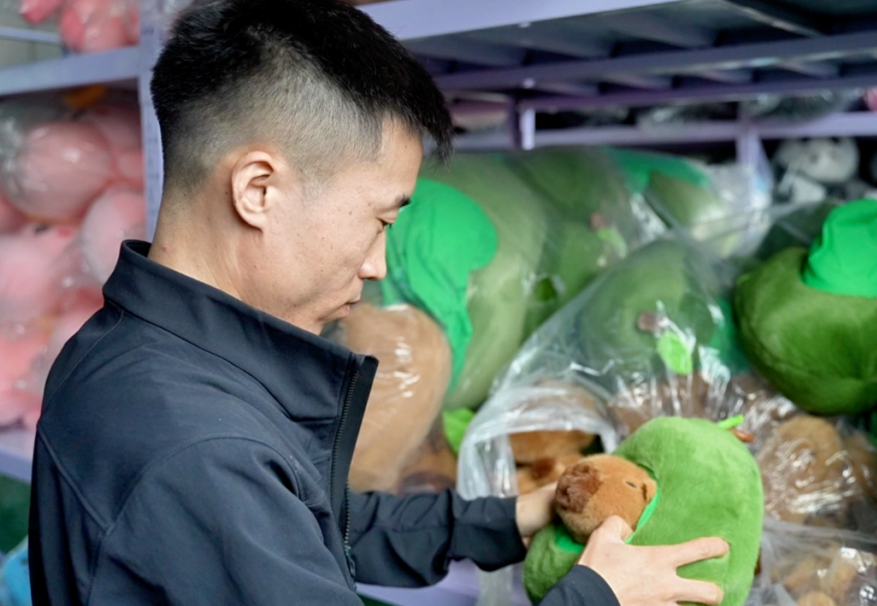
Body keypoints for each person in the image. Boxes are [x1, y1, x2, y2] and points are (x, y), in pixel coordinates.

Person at [26, 0, 730, 604]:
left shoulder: (133, 353)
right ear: (258, 190)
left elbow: (306, 527)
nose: (378, 264)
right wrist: (599, 596)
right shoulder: (199, 449)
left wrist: (505, 518)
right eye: (380, 220)